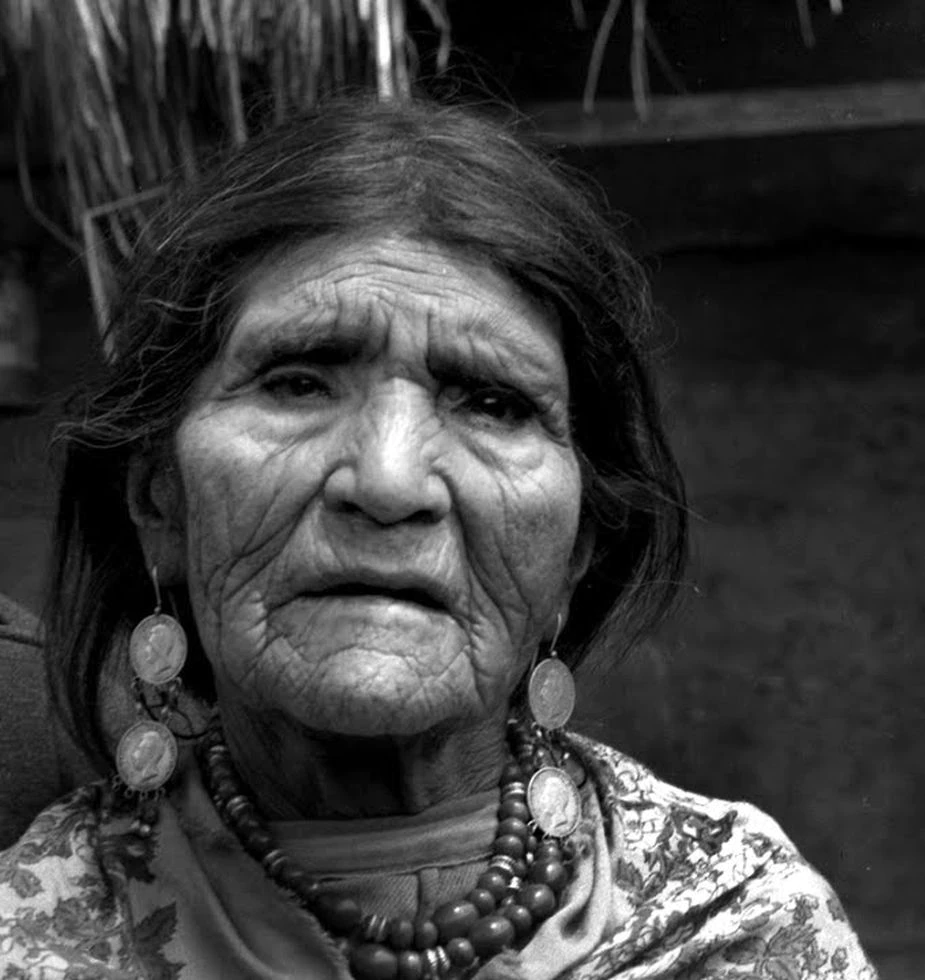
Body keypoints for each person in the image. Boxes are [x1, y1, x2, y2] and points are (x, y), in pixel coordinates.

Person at [0, 95, 877, 979]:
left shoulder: (740, 923)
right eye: (299, 383)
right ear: (162, 501)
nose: (387, 483)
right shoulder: (36, 931)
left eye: (493, 404)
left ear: (578, 550)